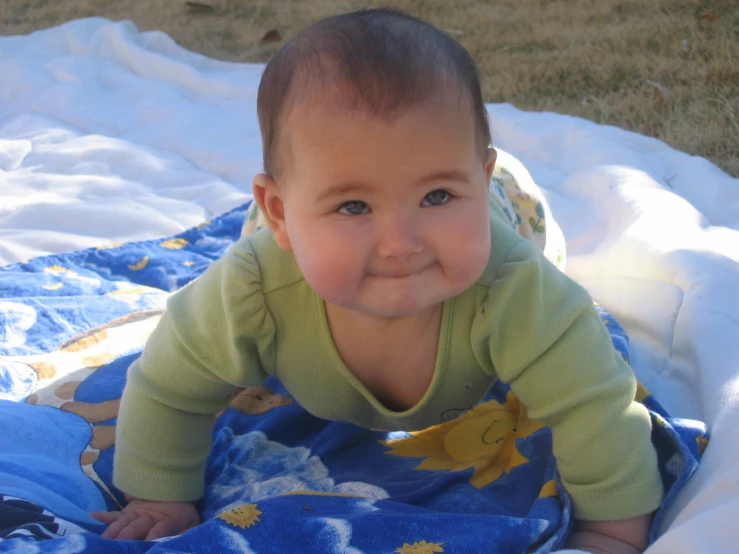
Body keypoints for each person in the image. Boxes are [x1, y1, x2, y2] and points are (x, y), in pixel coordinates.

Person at [92, 8, 662, 552]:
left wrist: (610, 531)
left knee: (527, 242)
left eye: (437, 195)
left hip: (508, 211)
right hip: (294, 247)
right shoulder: (251, 291)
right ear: (280, 212)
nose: (401, 243)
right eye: (354, 206)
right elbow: (169, 385)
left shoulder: (515, 288)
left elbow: (597, 407)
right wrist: (161, 496)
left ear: (478, 181)